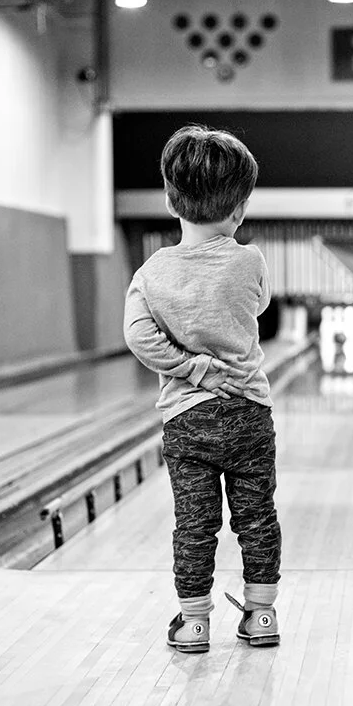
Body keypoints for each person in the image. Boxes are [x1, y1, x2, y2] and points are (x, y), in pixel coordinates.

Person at [122, 125, 282, 654]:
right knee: (256, 516)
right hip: (248, 412)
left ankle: (193, 623)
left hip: (186, 419)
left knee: (195, 523)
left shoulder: (151, 272)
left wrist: (192, 368)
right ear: (239, 211)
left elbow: (138, 335)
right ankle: (261, 616)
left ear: (171, 202)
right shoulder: (250, 260)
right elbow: (257, 307)